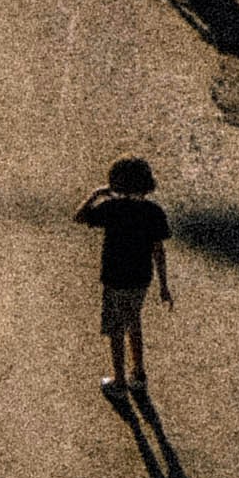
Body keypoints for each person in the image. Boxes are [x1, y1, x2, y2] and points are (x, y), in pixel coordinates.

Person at [77, 156, 171, 402]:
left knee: (116, 329)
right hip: (141, 279)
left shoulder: (112, 209)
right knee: (134, 321)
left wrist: (96, 194)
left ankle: (119, 382)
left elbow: (80, 217)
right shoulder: (154, 212)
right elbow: (158, 251)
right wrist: (164, 286)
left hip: (115, 278)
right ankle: (138, 374)